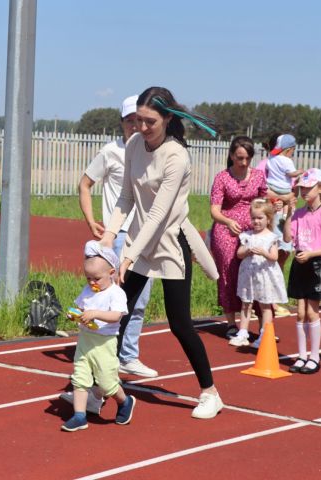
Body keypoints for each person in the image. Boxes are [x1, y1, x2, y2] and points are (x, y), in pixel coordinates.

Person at [101, 86, 223, 419]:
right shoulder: (133, 145)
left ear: (168, 118)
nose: (141, 128)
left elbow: (158, 213)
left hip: (170, 244)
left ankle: (210, 393)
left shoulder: (177, 156)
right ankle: (101, 387)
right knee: (118, 315)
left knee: (180, 323)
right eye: (137, 120)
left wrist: (126, 257)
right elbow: (126, 197)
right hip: (139, 242)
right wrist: (110, 236)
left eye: (149, 122)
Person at [77, 95, 157, 378]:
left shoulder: (153, 153)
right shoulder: (111, 152)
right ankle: (104, 351)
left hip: (145, 237)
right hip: (119, 236)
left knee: (139, 301)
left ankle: (128, 355)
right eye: (130, 121)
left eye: (141, 120)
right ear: (122, 123)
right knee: (112, 297)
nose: (136, 126)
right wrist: (92, 222)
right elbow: (85, 184)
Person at [61, 240, 135, 432]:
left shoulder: (115, 293)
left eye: (97, 279)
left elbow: (116, 315)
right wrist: (73, 313)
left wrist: (95, 313)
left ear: (111, 274)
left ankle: (125, 401)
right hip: (85, 340)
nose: (92, 283)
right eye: (88, 279)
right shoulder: (88, 290)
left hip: (104, 343)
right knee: (79, 377)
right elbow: (79, 306)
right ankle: (79, 416)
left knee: (107, 382)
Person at [283, 169, 321, 374]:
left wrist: (311, 254)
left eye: (309, 188)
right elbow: (288, 239)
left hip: (316, 264)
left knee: (311, 311)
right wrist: (289, 214)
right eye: (302, 188)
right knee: (299, 313)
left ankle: (314, 356)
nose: (304, 192)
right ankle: (301, 356)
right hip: (300, 263)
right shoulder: (299, 213)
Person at [209, 136, 267, 338]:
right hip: (226, 231)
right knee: (228, 273)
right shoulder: (222, 177)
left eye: (247, 158)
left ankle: (263, 325)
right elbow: (214, 211)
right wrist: (227, 221)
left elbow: (265, 202)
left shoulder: (259, 176)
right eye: (239, 158)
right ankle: (232, 323)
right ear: (232, 155)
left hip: (253, 230)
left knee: (257, 273)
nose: (243, 163)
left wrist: (275, 206)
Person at [229, 199, 288, 347]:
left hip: (264, 275)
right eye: (253, 218)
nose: (256, 221)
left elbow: (274, 257)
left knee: (265, 305)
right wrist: (248, 250)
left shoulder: (271, 237)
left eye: (260, 218)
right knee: (246, 303)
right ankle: (243, 332)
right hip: (248, 275)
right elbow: (239, 254)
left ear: (268, 219)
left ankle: (265, 334)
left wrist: (264, 253)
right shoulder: (247, 236)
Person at [257, 132, 293, 317]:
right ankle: (262, 301)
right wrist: (278, 198)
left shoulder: (286, 165)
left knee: (282, 257)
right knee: (266, 259)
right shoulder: (265, 165)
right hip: (270, 217)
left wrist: (290, 198)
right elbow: (260, 188)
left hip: (285, 217)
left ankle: (274, 299)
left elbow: (292, 189)